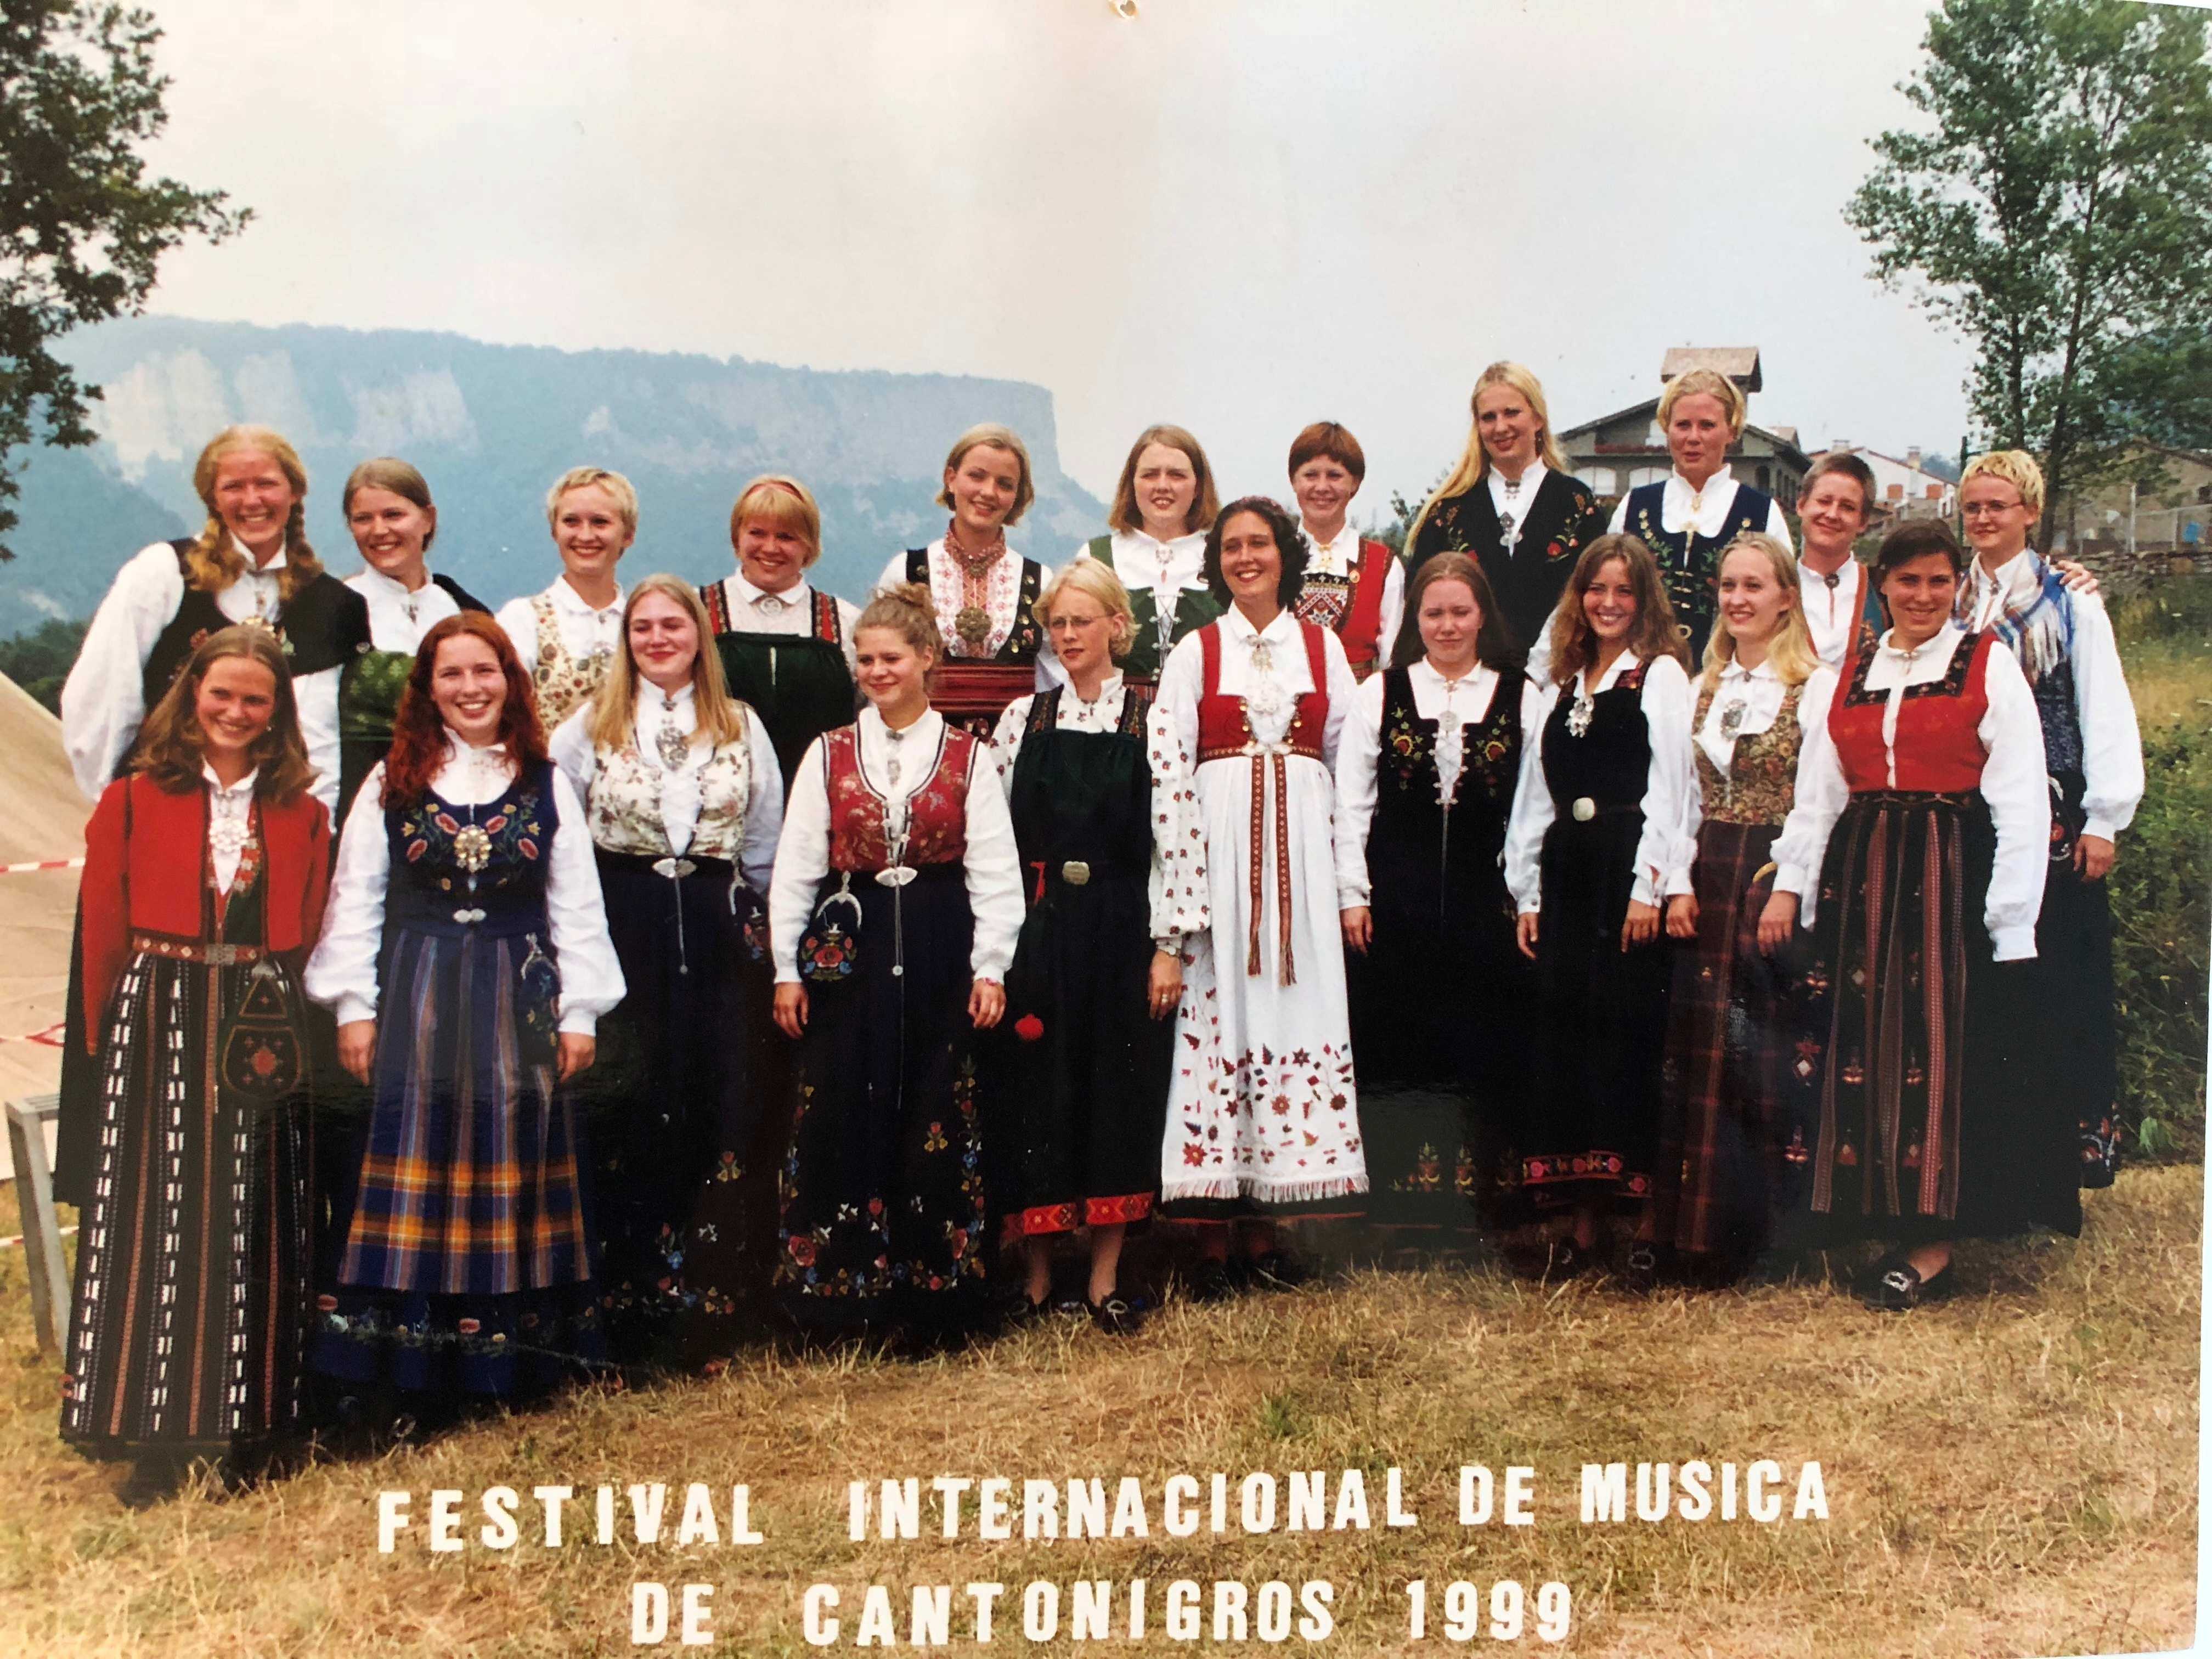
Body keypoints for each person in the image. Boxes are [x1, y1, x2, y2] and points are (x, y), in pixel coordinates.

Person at [306, 614, 625, 1414]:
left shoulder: (545, 780)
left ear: (509, 681)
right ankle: (410, 1373)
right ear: (429, 689)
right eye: (452, 675)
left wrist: (580, 1011)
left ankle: (504, 1369)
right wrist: (354, 1007)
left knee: (509, 1154)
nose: (470, 689)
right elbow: (356, 900)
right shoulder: (392, 780)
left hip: (519, 991)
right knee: (417, 1155)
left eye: (484, 672)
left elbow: (575, 904)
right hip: (420, 988)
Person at [54, 424, 364, 1210]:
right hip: (162, 846)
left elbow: (326, 741)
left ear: (294, 493)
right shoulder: (165, 572)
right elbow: (101, 696)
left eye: (269, 484)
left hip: (276, 858)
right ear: (210, 495)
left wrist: (297, 842)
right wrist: (133, 819)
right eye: (235, 485)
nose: (252, 499)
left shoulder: (331, 604)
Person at [60, 627, 332, 1501]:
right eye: (223, 694)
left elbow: (315, 928)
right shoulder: (134, 798)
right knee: (155, 1217)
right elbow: (101, 928)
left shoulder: (304, 810)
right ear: (194, 696)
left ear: (277, 713)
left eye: (257, 700)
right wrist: (105, 1047)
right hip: (158, 1010)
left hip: (262, 1017)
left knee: (261, 1214)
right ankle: (155, 1439)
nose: (236, 713)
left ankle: (258, 1426)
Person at [1770, 520, 2057, 1308]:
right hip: (1862, 877)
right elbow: (1818, 799)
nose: (1923, 596)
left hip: (1948, 869)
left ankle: (1932, 1246)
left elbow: (2022, 801)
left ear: (1955, 585)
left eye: (1938, 581)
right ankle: (1863, 1213)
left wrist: (2011, 919)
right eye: (1907, 581)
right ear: (1884, 585)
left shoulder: (1987, 666)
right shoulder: (1843, 673)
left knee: (1937, 1044)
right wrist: (1795, 883)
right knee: (1862, 1039)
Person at [768, 584, 1024, 1340]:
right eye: (866, 659)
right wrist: (786, 966)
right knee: (844, 1102)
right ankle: (839, 1295)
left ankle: (937, 1297)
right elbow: (797, 865)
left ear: (927, 660)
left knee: (938, 1104)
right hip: (853, 945)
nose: (877, 672)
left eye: (892, 658)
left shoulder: (969, 756)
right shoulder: (829, 751)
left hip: (943, 938)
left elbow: (996, 873)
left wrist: (992, 968)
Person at [550, 576, 783, 1370]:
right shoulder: (591, 726)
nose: (657, 638)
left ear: (699, 634)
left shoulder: (740, 724)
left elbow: (765, 845)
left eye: (671, 624)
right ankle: (625, 1315)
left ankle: (712, 1312)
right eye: (642, 627)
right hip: (625, 925)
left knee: (716, 1106)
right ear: (627, 640)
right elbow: (559, 838)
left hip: (717, 930)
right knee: (631, 1108)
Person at [1150, 495, 1367, 1296]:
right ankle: (1213, 1246)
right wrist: (1182, 909)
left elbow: (1351, 775)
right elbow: (1168, 782)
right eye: (1233, 547)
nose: (1247, 558)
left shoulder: (1322, 647)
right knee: (1223, 1025)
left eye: (1261, 545)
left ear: (1285, 555)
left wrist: (1348, 887)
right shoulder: (1196, 653)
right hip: (1219, 879)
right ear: (1218, 562)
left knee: (1290, 1018)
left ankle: (1272, 1237)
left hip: (1301, 881)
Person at [988, 559, 1176, 1333]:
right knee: (1035, 1086)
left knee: (1114, 1087)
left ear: (1115, 626)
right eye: (1057, 624)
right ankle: (1036, 1281)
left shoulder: (1151, 721)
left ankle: (1103, 1280)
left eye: (1082, 621)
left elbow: (1176, 842)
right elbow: (991, 840)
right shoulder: (1020, 721)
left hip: (1118, 928)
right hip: (1038, 927)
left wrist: (1168, 946)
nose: (1068, 636)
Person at [1501, 535, 1694, 1272]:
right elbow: (1533, 794)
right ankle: (1580, 1227)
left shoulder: (1662, 676)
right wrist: (1528, 892)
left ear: (1644, 601)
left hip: (1624, 867)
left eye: (1623, 591)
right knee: (1569, 1040)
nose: (1608, 603)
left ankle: (1640, 1225)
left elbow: (1674, 789)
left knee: (1628, 1038)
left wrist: (1652, 885)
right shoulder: (1563, 681)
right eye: (1596, 590)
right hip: (1567, 871)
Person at [1335, 553, 1539, 1243]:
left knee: (1480, 1034)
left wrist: (1526, 894)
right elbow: (1352, 805)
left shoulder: (1520, 695)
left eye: (1460, 612)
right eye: (1433, 613)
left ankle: (1481, 1205)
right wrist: (1353, 895)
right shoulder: (1381, 693)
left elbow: (1532, 808)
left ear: (1483, 614)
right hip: (1398, 898)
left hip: (1487, 900)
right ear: (1414, 619)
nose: (1447, 626)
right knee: (1397, 1035)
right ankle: (1397, 1205)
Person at [1955, 450, 2143, 1188]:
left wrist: (2105, 817)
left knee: (2066, 966)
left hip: (2061, 804)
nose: (1985, 518)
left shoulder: (2069, 600)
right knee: (1992, 971)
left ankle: (2080, 1140)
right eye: (1973, 506)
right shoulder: (1952, 596)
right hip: (1978, 804)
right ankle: (1998, 1148)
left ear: (2029, 512)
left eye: (1999, 506)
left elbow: (2105, 707)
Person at [1646, 533, 1819, 1282]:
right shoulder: (1702, 686)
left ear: (1787, 596)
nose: (1740, 599)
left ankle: (1758, 1237)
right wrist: (1674, 880)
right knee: (1699, 1052)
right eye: (1729, 586)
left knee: (1763, 1054)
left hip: (1769, 873)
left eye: (1756, 586)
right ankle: (1692, 1234)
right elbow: (1676, 796)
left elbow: (1817, 802)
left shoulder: (1811, 687)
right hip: (1709, 869)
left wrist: (1788, 887)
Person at [1403, 363, 1607, 674]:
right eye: (1489, 417)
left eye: (1512, 413)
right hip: (1467, 684)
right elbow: (1417, 606)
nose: (1500, 427)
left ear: (1538, 418)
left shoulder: (1577, 504)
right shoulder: (1449, 512)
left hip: (1558, 680)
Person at [336, 458, 493, 824]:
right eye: (363, 519)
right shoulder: (334, 609)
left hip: (460, 803)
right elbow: (311, 728)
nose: (379, 531)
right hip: (363, 806)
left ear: (428, 519)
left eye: (393, 515)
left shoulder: (464, 609)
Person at [875, 424, 1053, 736]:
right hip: (923, 749)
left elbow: (1055, 680)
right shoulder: (905, 572)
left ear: (1017, 496)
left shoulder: (1041, 582)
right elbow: (879, 670)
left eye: (1005, 484)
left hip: (1017, 754)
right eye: (977, 476)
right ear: (951, 478)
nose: (989, 492)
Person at [1606, 369, 1793, 656]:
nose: (1693, 438)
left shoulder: (1762, 512)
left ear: (1731, 431)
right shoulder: (1635, 506)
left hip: (1725, 676)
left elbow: (1784, 609)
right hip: (1637, 671)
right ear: (1667, 429)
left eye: (1707, 426)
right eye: (1683, 425)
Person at [699, 474, 860, 789]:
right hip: (716, 803)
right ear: (737, 538)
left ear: (810, 546)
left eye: (786, 537)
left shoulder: (846, 621)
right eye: (757, 533)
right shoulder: (695, 613)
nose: (770, 548)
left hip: (821, 799)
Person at [1066, 424, 1223, 684]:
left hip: (1204, 718)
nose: (1163, 486)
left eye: (1177, 475)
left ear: (1198, 487)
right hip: (1117, 717)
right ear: (1132, 484)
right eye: (1150, 475)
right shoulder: (1097, 557)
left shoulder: (1223, 555)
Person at [494, 467, 636, 728]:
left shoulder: (644, 622)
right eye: (571, 522)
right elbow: (502, 715)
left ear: (628, 535)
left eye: (600, 522)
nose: (585, 535)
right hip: (548, 768)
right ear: (554, 532)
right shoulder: (523, 620)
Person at [1286, 422, 1403, 681]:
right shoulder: (1274, 557)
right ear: (1294, 481)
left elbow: (1392, 659)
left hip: (1357, 711)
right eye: (1310, 475)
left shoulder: (1382, 565)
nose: (1322, 487)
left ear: (1355, 483)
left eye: (1335, 476)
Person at [1791, 453, 1886, 670]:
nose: (1832, 514)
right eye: (1824, 501)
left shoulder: (1882, 591)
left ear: (1862, 522)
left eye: (1847, 507)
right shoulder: (1775, 586)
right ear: (1802, 505)